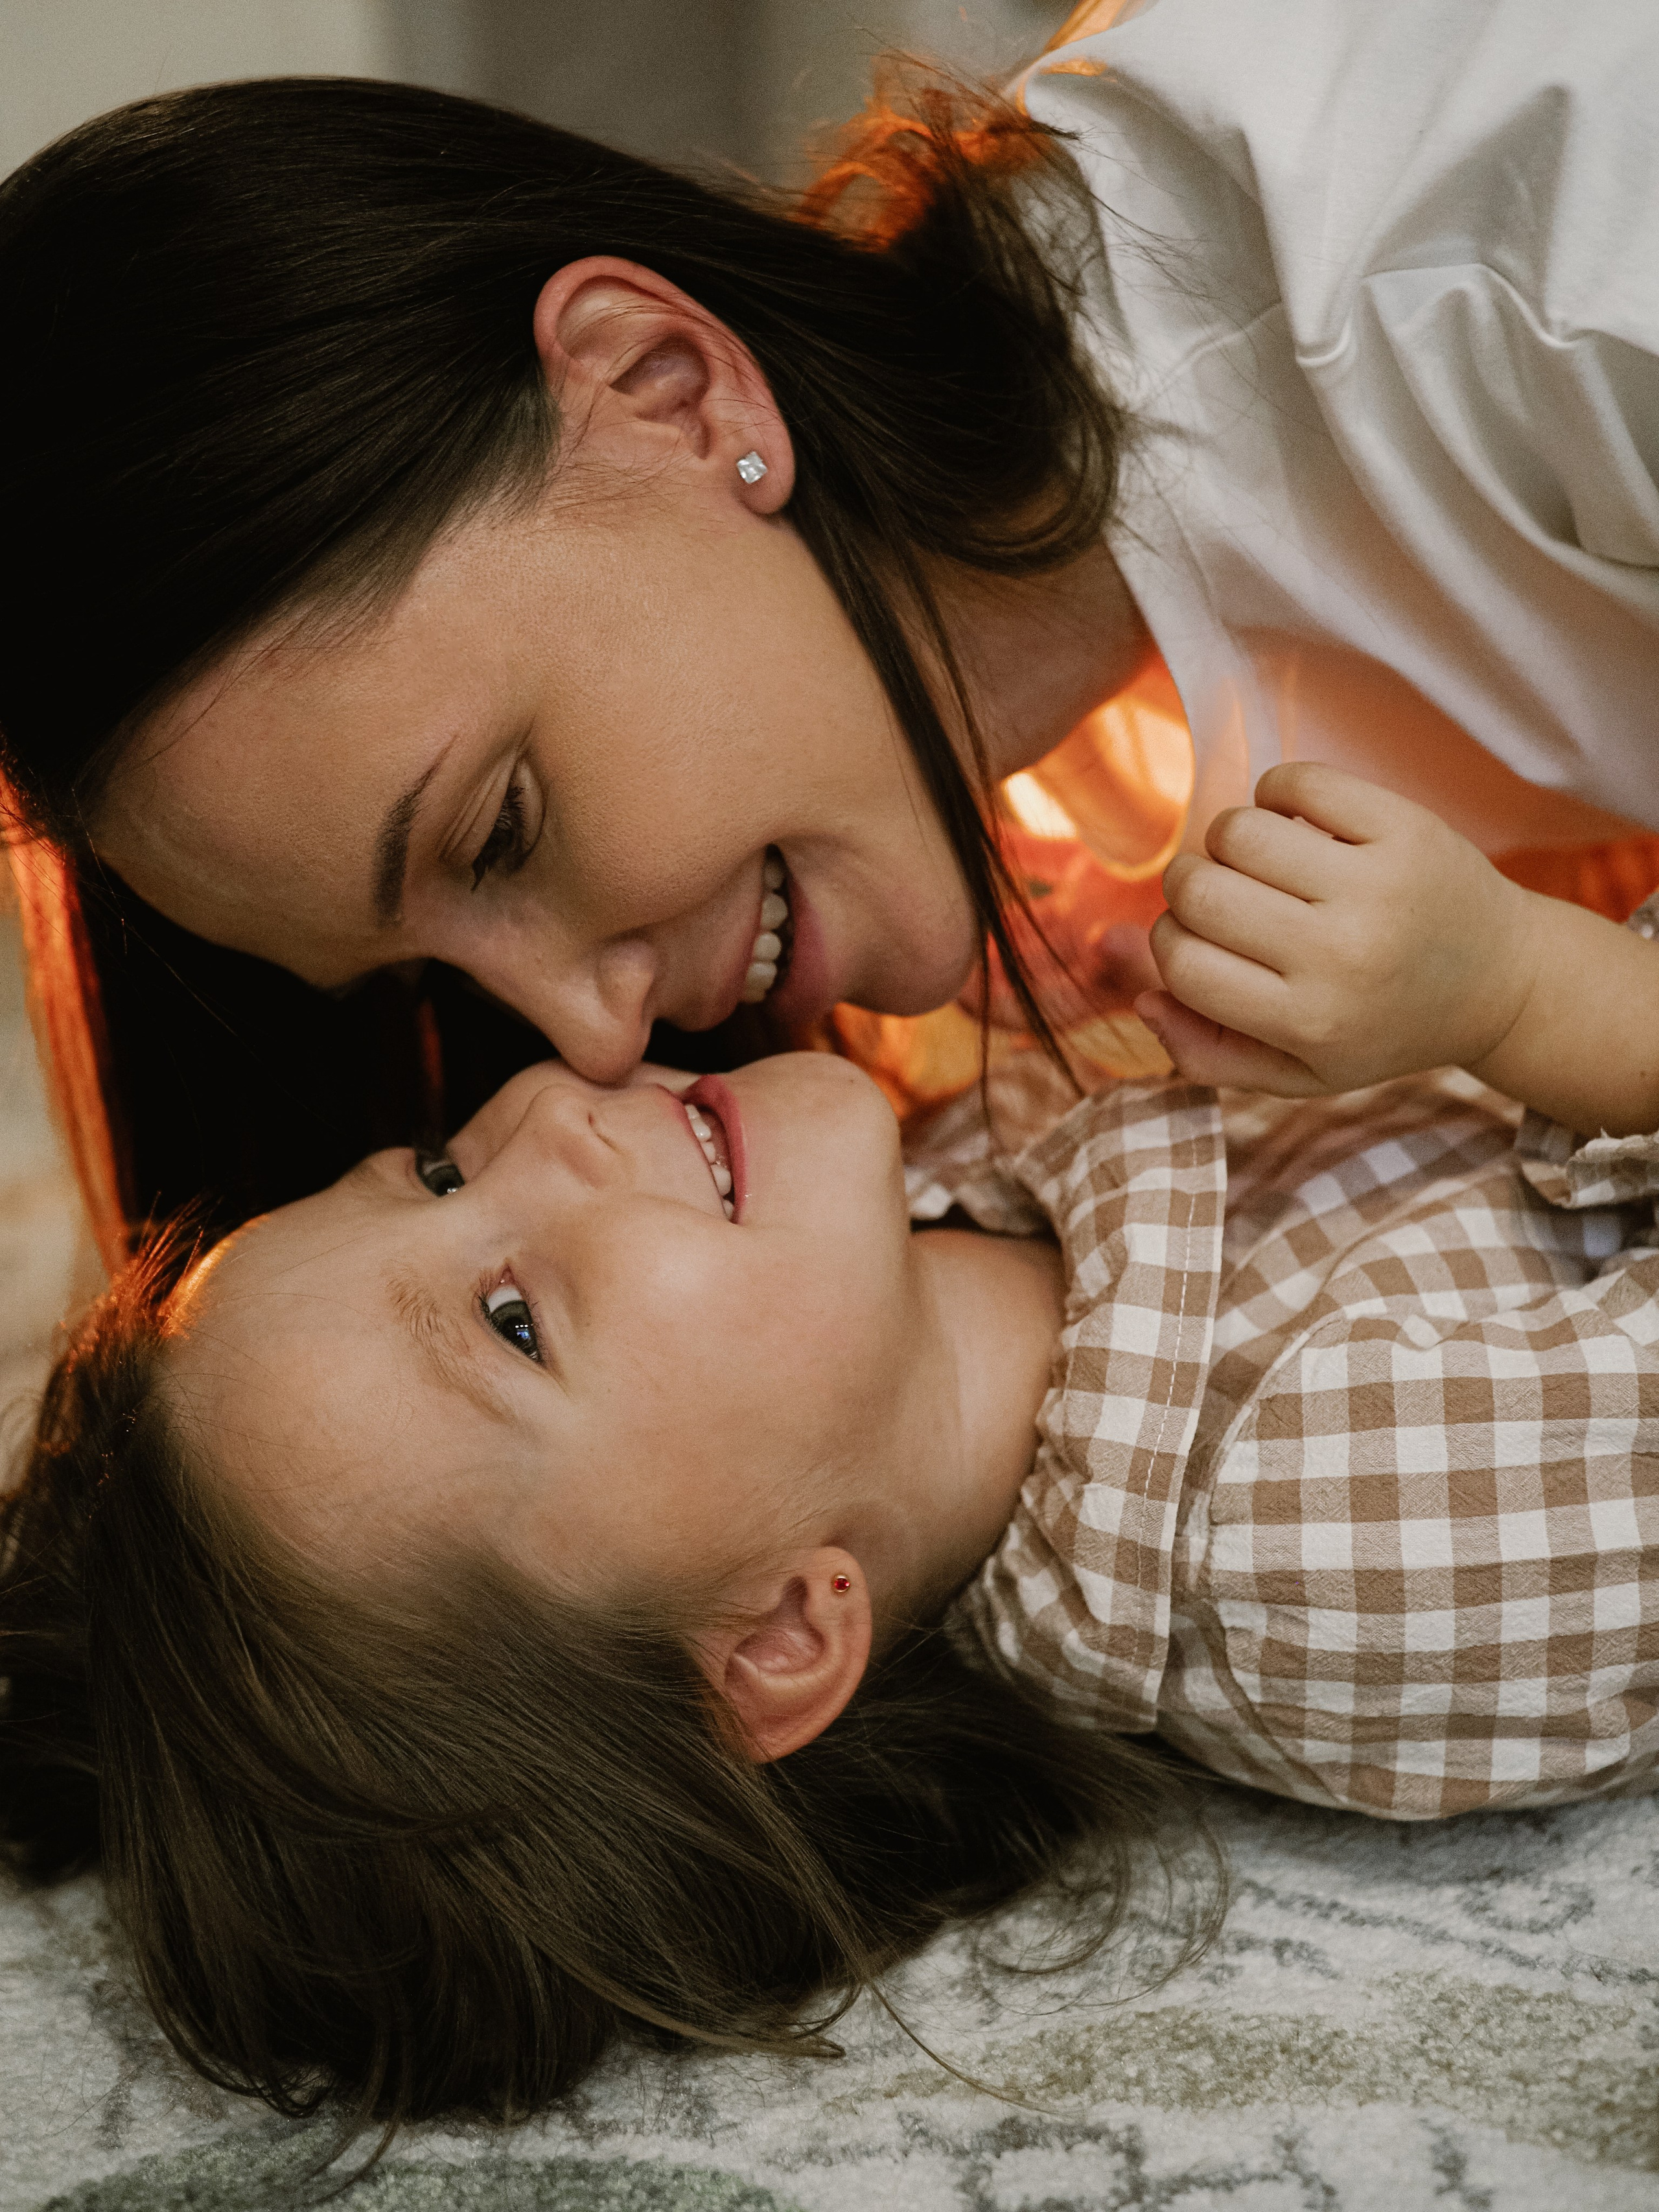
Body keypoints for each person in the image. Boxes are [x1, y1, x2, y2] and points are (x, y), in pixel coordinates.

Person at [4, 772, 1657, 2130]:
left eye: (435, 1172)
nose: (543, 1120)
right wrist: (1526, 991)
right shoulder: (1325, 1538)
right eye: (512, 1320)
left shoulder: (948, 1173)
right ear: (787, 1634)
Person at [5, 0, 1659, 1259]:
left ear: (661, 389)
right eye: (430, 973)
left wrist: (1532, 997)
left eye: (501, 828)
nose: (592, 1038)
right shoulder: (1060, 755)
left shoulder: (1550, 287)